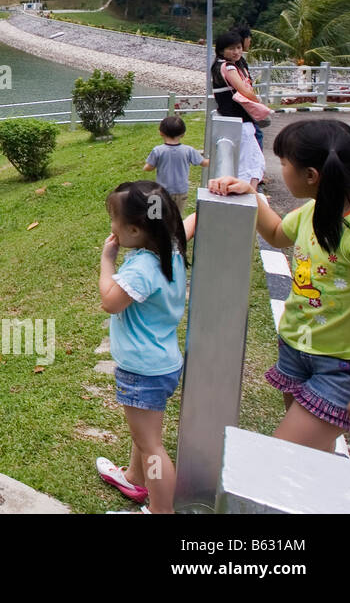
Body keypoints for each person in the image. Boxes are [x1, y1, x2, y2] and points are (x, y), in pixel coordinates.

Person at [208, 119, 350, 452]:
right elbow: (276, 234)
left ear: (311, 176)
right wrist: (251, 193)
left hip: (340, 366)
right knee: (311, 459)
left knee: (285, 457)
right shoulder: (313, 211)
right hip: (297, 349)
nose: (281, 168)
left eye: (284, 162)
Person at [95, 181, 198, 514]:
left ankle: (160, 509)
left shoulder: (142, 268)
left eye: (114, 219)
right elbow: (188, 224)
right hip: (161, 363)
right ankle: (133, 478)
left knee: (151, 446)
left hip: (142, 371)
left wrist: (107, 261)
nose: (112, 227)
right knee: (144, 437)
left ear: (136, 229)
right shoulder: (171, 244)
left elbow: (110, 302)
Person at [210, 30, 266, 192]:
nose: (236, 52)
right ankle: (249, 194)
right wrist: (259, 104)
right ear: (221, 50)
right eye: (232, 49)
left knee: (254, 159)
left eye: (239, 48)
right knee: (248, 162)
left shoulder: (220, 65)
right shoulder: (228, 67)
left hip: (237, 120)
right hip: (239, 121)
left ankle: (253, 193)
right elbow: (243, 90)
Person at [143, 116, 209, 213]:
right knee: (176, 217)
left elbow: (149, 167)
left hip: (161, 191)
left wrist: (145, 167)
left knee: (157, 217)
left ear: (161, 132)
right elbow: (204, 163)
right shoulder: (189, 150)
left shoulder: (158, 150)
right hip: (181, 191)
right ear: (183, 134)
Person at [233, 24, 266, 152]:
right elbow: (242, 88)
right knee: (256, 136)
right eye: (249, 38)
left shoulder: (241, 61)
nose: (250, 41)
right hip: (242, 107)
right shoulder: (233, 63)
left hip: (245, 107)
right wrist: (256, 102)